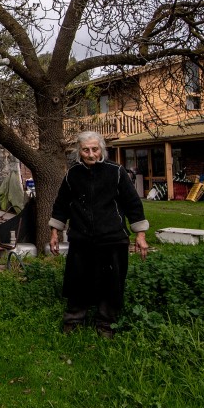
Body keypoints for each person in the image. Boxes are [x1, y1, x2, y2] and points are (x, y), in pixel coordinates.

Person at [49, 131, 149, 338]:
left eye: (95, 149)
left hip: (112, 238)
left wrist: (140, 234)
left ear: (102, 149)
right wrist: (54, 232)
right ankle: (74, 320)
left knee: (111, 282)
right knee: (77, 281)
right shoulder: (72, 175)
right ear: (79, 151)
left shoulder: (117, 172)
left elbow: (133, 204)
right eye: (86, 150)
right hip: (81, 238)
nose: (91, 154)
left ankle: (106, 324)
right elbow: (61, 205)